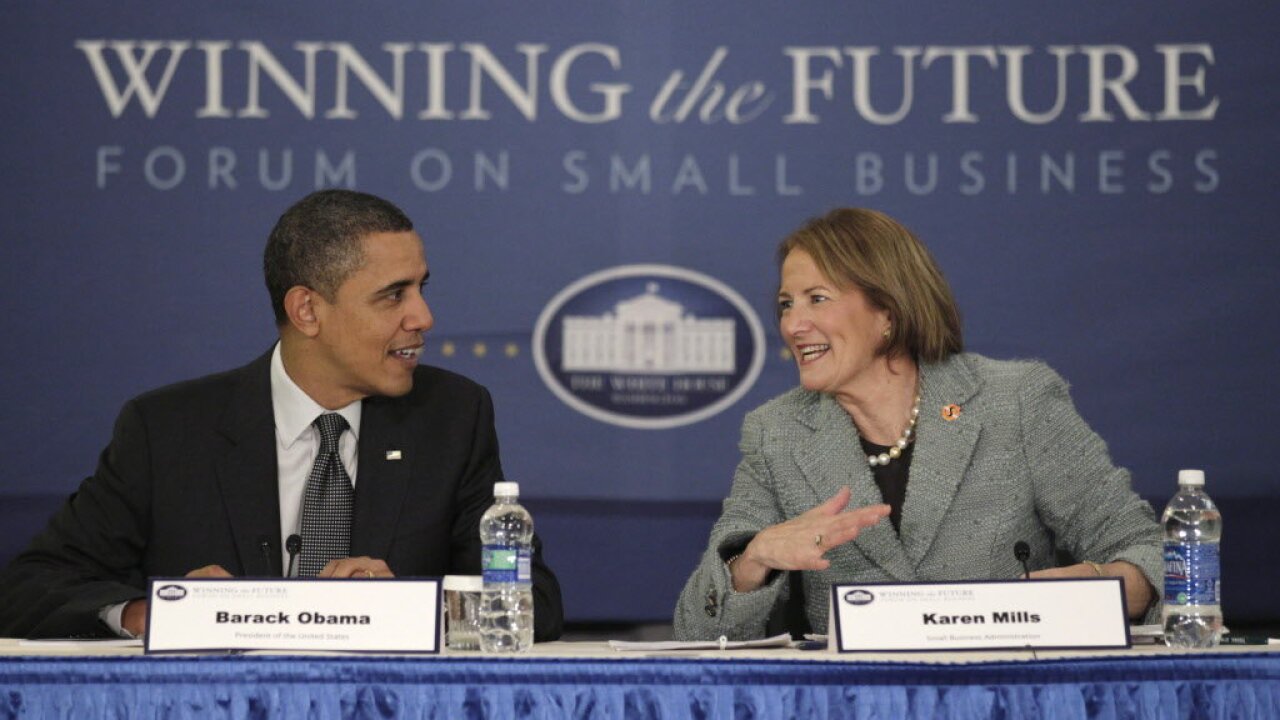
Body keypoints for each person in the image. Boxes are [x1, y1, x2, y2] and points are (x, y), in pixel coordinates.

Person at [0, 189, 563, 641]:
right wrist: (148, 614)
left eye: (421, 288)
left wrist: (407, 606)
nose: (424, 316)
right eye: (394, 295)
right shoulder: (167, 429)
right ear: (308, 310)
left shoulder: (451, 415)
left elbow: (530, 600)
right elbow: (30, 589)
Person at [673, 208, 1161, 640]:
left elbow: (1148, 555)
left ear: (887, 309)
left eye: (816, 299)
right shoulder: (777, 432)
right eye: (786, 304)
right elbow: (698, 630)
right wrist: (754, 559)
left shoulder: (1013, 401)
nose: (793, 325)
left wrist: (1097, 585)